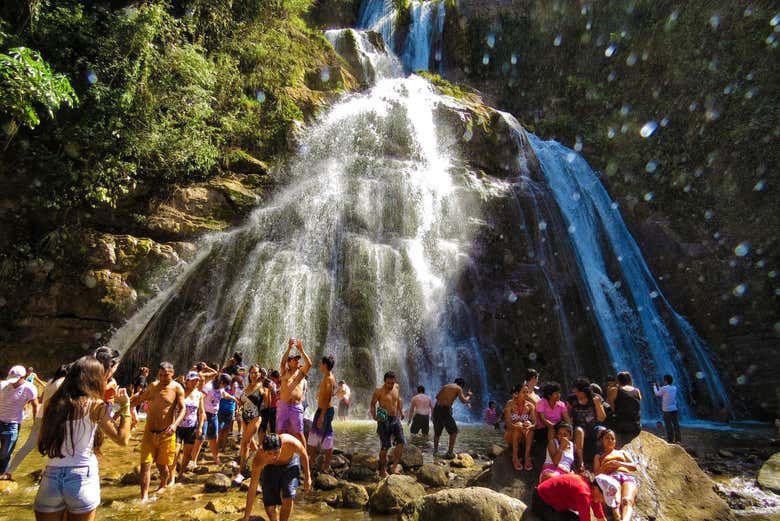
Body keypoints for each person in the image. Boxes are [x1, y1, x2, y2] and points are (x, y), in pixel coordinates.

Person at [33, 356, 132, 520]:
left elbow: (41, 440)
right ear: (94, 378)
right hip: (81, 477)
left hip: (51, 477)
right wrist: (126, 406)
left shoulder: (52, 403)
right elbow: (122, 439)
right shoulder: (95, 405)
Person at [130, 362, 186, 500]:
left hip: (166, 434)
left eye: (166, 375)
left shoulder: (177, 388)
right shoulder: (153, 386)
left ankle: (163, 484)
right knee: (145, 465)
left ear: (172, 373)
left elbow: (183, 409)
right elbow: (140, 399)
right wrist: (125, 405)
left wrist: (175, 425)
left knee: (162, 467)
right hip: (149, 432)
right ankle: (144, 497)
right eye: (160, 375)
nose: (163, 378)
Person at [5, 365, 69, 480]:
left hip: (41, 415)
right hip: (52, 418)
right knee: (57, 447)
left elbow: (42, 399)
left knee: (28, 445)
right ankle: (49, 473)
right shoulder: (64, 383)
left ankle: (9, 471)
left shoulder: (50, 382)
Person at [242, 433, 311, 521]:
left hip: (290, 463)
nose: (273, 456)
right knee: (269, 503)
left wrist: (308, 477)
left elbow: (303, 453)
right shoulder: (259, 460)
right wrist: (246, 517)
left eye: (276, 452)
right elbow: (253, 487)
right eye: (269, 453)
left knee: (288, 495)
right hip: (270, 468)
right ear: (263, 450)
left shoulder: (290, 442)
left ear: (281, 447)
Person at [0, 365, 39, 480]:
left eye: (16, 380)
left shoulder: (29, 388)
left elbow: (35, 405)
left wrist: (35, 424)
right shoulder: (2, 385)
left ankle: (3, 475)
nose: (13, 383)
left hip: (13, 425)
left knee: (5, 453)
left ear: (23, 377)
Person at [531, 472, 617, 521]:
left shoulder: (593, 492)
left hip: (550, 503)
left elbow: (600, 518)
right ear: (597, 488)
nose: (602, 500)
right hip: (542, 502)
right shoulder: (584, 492)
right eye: (603, 497)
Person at [594, 429, 638, 521]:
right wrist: (606, 466)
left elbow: (634, 467)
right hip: (611, 478)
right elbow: (596, 475)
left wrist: (620, 464)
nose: (610, 440)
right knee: (616, 504)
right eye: (607, 438)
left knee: (627, 500)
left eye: (612, 438)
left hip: (627, 476)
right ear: (602, 440)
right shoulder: (599, 456)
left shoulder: (622, 452)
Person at [277, 338, 312, 447]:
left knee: (299, 433)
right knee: (280, 431)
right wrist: (289, 348)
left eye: (298, 360)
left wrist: (301, 350)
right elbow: (282, 362)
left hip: (296, 407)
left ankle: (304, 456)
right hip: (283, 405)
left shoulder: (300, 373)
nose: (297, 361)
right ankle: (279, 455)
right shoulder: (284, 372)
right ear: (289, 362)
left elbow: (309, 364)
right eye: (295, 359)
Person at [370, 371, 405, 477]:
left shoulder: (397, 387)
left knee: (401, 442)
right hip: (383, 417)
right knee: (385, 446)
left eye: (392, 383)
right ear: (384, 381)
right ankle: (382, 470)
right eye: (388, 383)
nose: (390, 385)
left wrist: (401, 412)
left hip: (395, 417)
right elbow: (372, 404)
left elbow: (398, 400)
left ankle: (394, 467)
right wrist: (374, 416)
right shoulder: (378, 391)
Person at [570, 377, 606, 470]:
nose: (575, 393)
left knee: (604, 431)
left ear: (584, 391)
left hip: (594, 427)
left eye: (577, 391)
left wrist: (598, 404)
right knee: (579, 430)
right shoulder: (572, 400)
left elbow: (602, 418)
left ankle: (604, 459)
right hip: (580, 428)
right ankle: (581, 461)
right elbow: (569, 417)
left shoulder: (595, 398)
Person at [237, 365, 265, 481]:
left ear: (260, 374)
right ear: (249, 374)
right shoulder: (246, 386)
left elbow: (267, 403)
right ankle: (262, 461)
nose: (254, 374)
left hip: (255, 417)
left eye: (256, 372)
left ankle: (242, 471)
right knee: (252, 445)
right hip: (244, 417)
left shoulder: (263, 387)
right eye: (252, 372)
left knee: (244, 443)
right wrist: (238, 408)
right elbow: (242, 402)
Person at [432, 377, 472, 458]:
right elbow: (464, 401)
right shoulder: (458, 388)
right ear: (461, 385)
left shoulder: (446, 386)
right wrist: (468, 396)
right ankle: (450, 453)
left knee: (437, 432)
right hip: (444, 410)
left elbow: (437, 397)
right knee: (454, 432)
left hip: (436, 408)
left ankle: (435, 451)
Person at [176, 371, 205, 475]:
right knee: (175, 452)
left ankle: (180, 475)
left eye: (197, 380)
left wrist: (200, 427)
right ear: (187, 381)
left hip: (191, 428)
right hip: (178, 427)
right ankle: (171, 477)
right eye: (193, 380)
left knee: (187, 455)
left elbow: (201, 413)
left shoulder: (199, 395)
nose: (195, 382)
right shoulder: (180, 392)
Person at [504, 384, 536, 471]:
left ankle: (527, 457)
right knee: (517, 426)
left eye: (527, 392)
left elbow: (535, 423)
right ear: (517, 393)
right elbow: (507, 423)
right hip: (510, 435)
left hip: (524, 436)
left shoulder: (530, 406)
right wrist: (517, 427)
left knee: (530, 429)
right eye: (524, 392)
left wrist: (530, 426)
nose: (526, 394)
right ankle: (515, 457)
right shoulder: (510, 404)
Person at [607, 371, 641, 443]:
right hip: (636, 425)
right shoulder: (637, 390)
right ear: (630, 380)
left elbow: (611, 406)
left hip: (621, 425)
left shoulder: (614, 390)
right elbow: (638, 402)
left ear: (618, 380)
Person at [653, 374, 681, 443]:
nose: (663, 381)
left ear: (666, 381)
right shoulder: (674, 388)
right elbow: (663, 392)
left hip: (667, 410)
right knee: (676, 424)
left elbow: (657, 394)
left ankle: (670, 439)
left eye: (664, 380)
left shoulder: (664, 388)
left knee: (668, 425)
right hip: (674, 408)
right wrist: (659, 386)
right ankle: (678, 439)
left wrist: (654, 387)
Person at [216, 374, 240, 451]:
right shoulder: (225, 390)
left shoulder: (236, 393)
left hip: (230, 412)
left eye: (236, 387)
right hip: (221, 411)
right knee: (220, 428)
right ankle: (217, 446)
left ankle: (223, 447)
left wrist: (237, 409)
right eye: (234, 386)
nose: (235, 388)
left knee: (226, 429)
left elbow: (237, 401)